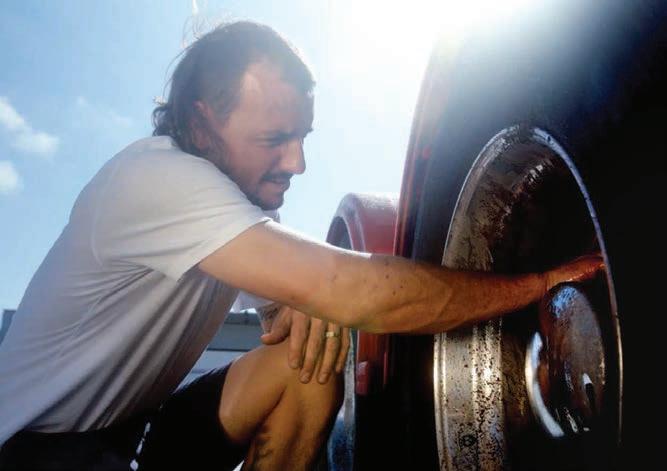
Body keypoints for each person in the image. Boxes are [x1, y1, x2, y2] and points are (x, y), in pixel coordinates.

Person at [0, 21, 603, 471]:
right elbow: (351, 289)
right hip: (35, 449)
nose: (298, 163)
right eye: (274, 140)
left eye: (303, 137)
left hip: (134, 430)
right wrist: (537, 284)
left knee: (307, 363)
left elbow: (297, 309)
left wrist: (304, 302)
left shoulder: (235, 210)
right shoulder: (155, 180)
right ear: (202, 124)